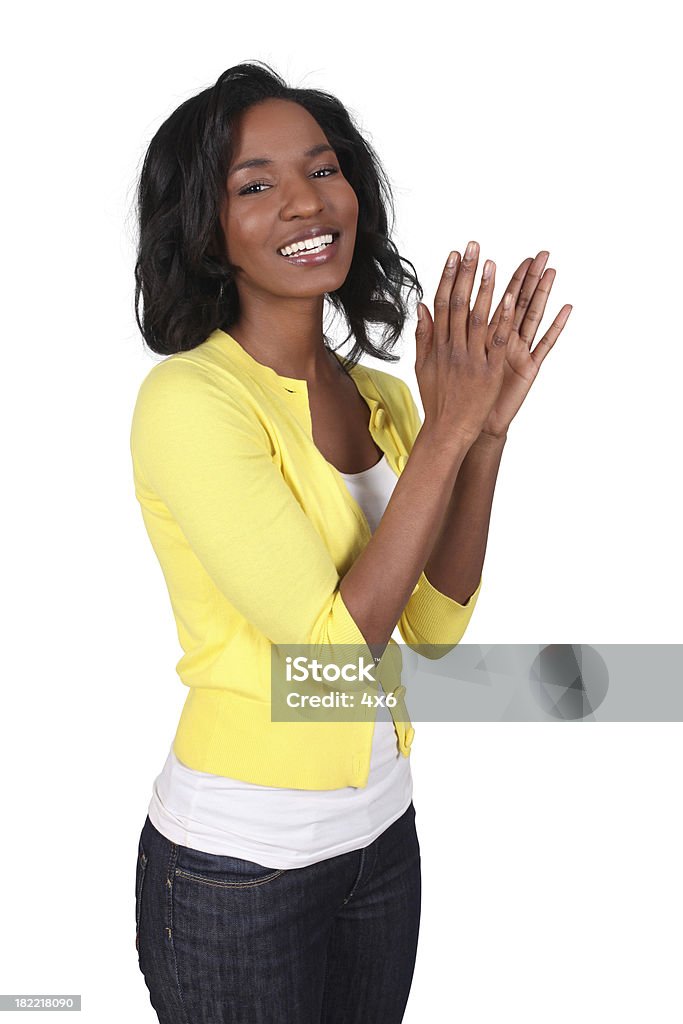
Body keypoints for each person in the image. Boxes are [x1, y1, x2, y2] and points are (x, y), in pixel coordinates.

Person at [129, 60, 572, 1024]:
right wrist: (447, 437)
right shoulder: (191, 402)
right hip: (237, 869)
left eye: (323, 169)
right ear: (207, 230)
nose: (305, 202)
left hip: (381, 839)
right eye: (255, 185)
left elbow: (435, 627)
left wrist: (482, 434)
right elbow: (331, 656)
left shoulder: (383, 398)